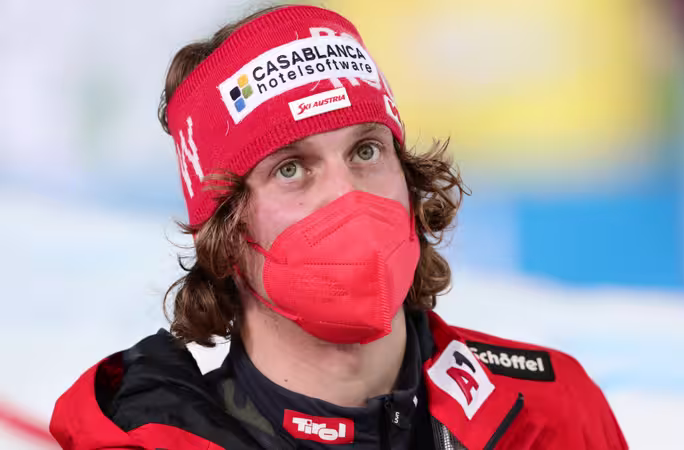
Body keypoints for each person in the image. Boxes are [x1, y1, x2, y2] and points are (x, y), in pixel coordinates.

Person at [50, 5, 627, 449]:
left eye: (366, 151)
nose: (347, 194)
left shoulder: (551, 413)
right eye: (291, 168)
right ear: (222, 238)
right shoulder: (151, 441)